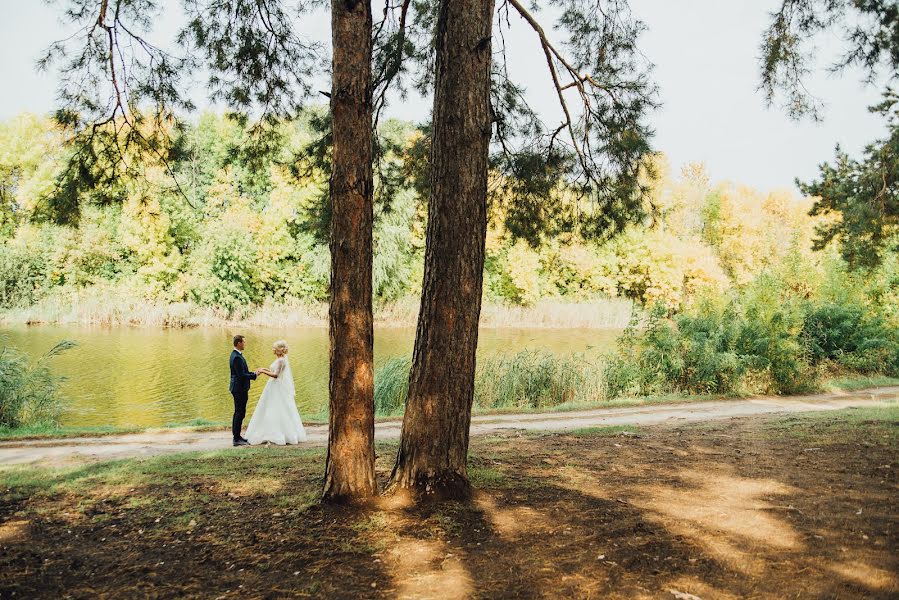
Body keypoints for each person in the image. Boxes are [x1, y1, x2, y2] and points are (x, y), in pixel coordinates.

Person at [245, 340, 307, 445]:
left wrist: (263, 372)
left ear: (279, 350)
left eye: (274, 348)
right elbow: (274, 370)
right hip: (273, 385)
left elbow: (276, 375)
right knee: (269, 407)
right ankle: (269, 430)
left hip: (276, 386)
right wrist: (264, 368)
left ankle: (280, 433)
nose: (273, 350)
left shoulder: (281, 360)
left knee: (276, 407)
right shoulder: (279, 359)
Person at [229, 335, 258, 447]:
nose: (245, 344)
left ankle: (238, 436)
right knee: (239, 413)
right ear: (239, 343)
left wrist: (252, 373)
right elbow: (241, 375)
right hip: (239, 389)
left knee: (240, 412)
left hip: (239, 388)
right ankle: (236, 439)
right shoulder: (236, 357)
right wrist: (254, 375)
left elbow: (242, 373)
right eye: (244, 342)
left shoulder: (236, 355)